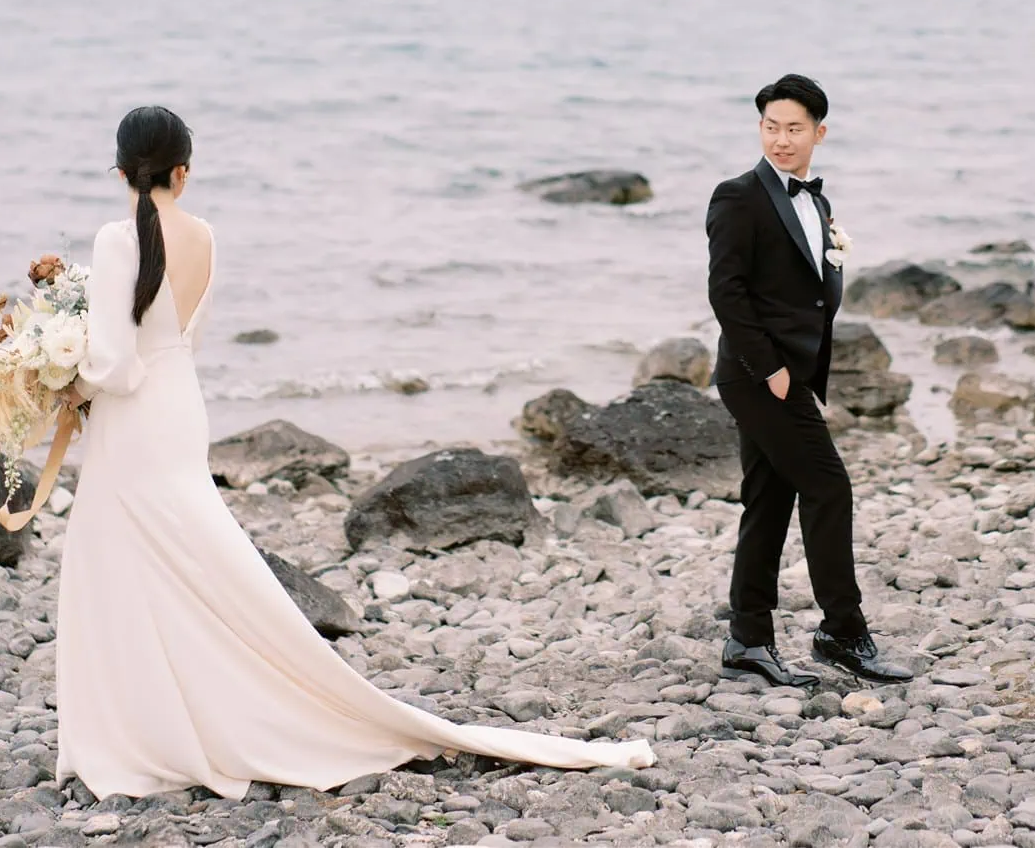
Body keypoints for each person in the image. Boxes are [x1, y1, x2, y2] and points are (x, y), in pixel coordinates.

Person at [55, 106, 653, 800]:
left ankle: (144, 726)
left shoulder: (113, 237)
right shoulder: (207, 237)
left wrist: (66, 381)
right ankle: (215, 700)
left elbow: (117, 367)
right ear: (183, 172)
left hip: (134, 422)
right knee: (195, 561)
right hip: (181, 409)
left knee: (126, 566)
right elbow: (181, 338)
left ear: (121, 169)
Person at [705, 75, 910, 688]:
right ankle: (842, 633)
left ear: (819, 132)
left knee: (768, 502)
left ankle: (748, 640)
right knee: (829, 488)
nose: (781, 139)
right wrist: (771, 369)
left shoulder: (816, 202)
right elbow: (726, 291)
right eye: (771, 126)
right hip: (758, 375)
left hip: (790, 373)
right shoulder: (737, 196)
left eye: (794, 128)